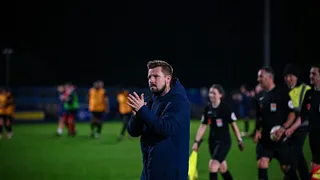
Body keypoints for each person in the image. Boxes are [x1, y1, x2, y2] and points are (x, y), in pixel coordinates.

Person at [127, 60, 190, 180]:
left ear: (168, 79)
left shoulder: (179, 102)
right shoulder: (150, 101)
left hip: (171, 173)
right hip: (149, 170)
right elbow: (133, 132)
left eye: (156, 76)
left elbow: (166, 128)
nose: (151, 80)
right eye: (149, 77)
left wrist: (143, 111)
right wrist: (136, 117)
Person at [192, 84, 244, 180]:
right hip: (212, 142)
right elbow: (203, 126)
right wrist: (196, 142)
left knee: (213, 165)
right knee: (222, 168)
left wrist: (239, 140)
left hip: (224, 142)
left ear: (220, 95)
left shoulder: (225, 108)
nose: (211, 95)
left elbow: (233, 125)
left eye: (214, 93)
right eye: (210, 92)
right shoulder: (208, 109)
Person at [254, 67, 297, 180]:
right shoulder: (260, 96)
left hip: (281, 138)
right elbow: (259, 117)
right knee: (262, 163)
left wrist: (283, 128)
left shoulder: (282, 93)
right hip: (265, 139)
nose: (258, 79)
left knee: (286, 168)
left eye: (261, 76)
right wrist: (257, 130)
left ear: (269, 77)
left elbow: (292, 115)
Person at [282, 64, 311, 180]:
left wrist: (291, 128)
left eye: (290, 76)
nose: (288, 79)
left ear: (296, 77)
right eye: (286, 76)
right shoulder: (283, 90)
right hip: (288, 129)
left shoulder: (306, 89)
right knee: (299, 159)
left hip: (302, 128)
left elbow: (305, 114)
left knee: (291, 160)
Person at [298, 64, 320, 179]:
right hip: (314, 137)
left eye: (314, 74)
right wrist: (290, 129)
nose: (310, 76)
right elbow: (302, 116)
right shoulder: (309, 94)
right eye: (310, 73)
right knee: (315, 170)